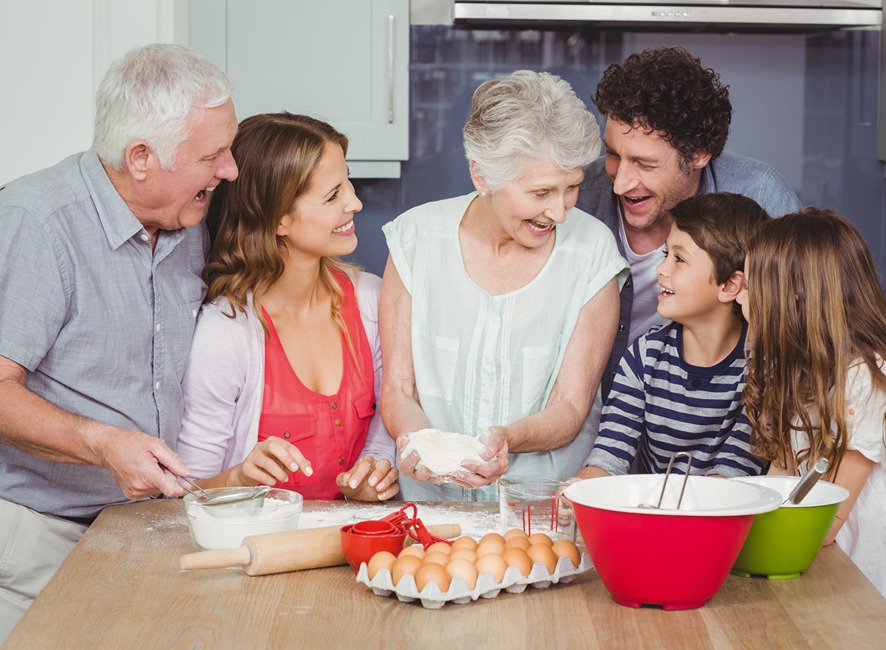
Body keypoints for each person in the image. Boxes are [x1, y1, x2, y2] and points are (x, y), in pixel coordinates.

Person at [0, 43, 238, 639]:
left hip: (146, 525)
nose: (230, 169)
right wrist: (102, 443)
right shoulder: (37, 223)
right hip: (39, 531)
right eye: (213, 154)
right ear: (141, 158)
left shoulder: (188, 219)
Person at [380, 70, 628, 501]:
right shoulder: (415, 241)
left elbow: (570, 406)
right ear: (482, 176)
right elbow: (400, 388)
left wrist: (507, 438)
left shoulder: (592, 252)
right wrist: (424, 447)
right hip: (432, 511)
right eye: (540, 193)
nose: (559, 212)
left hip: (544, 513)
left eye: (571, 188)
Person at [739, 208, 886, 647]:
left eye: (753, 283)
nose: (741, 295)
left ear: (796, 296)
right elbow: (781, 481)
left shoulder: (870, 380)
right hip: (858, 593)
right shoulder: (802, 371)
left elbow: (825, 520)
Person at [176, 113, 398, 501]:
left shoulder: (370, 301)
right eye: (333, 195)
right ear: (278, 218)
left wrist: (372, 476)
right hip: (256, 552)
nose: (355, 202)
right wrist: (239, 478)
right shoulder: (225, 333)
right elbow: (183, 493)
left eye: (348, 183)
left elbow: (382, 434)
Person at [576, 46, 802, 398]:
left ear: (698, 154)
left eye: (645, 164)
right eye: (612, 154)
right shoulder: (576, 199)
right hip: (598, 421)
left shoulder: (759, 195)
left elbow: (808, 326)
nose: (620, 182)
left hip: (722, 429)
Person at [574, 193, 770, 480]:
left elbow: (732, 474)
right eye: (666, 254)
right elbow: (609, 457)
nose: (661, 269)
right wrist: (580, 489)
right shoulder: (644, 356)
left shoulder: (761, 369)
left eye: (679, 259)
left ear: (730, 285)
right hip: (662, 517)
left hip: (728, 517)